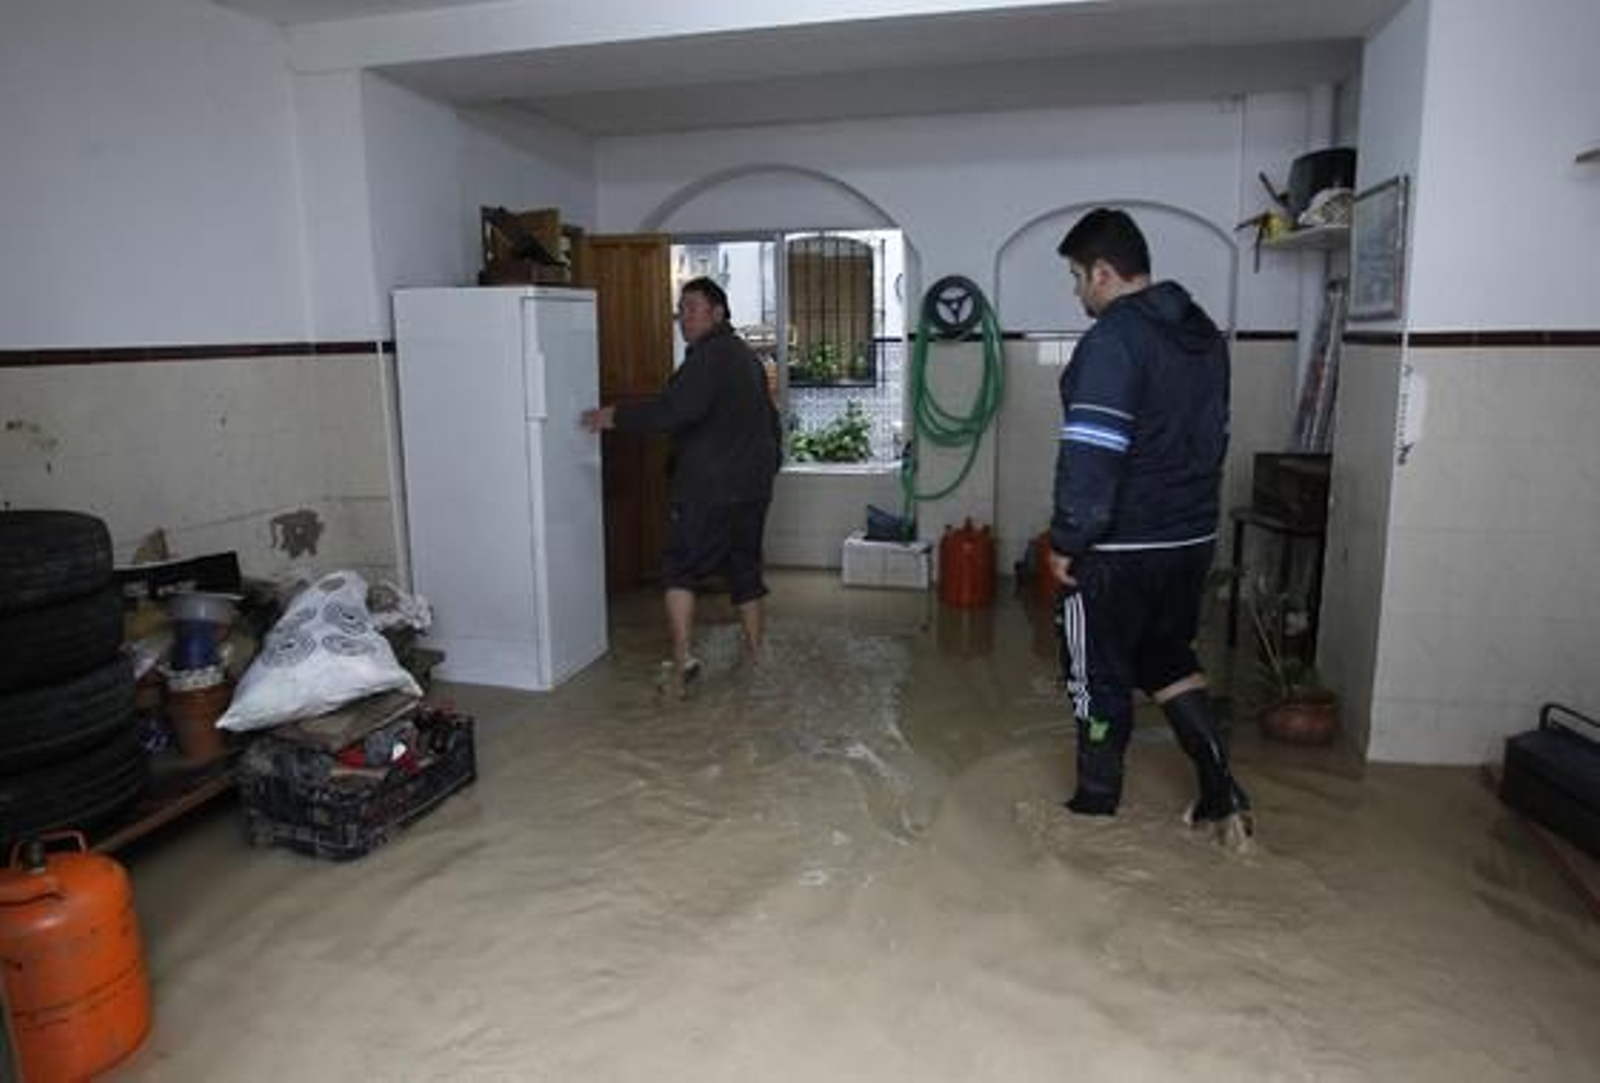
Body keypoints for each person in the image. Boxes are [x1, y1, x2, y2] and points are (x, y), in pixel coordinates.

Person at [1046, 208, 1252, 841]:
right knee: (1167, 657)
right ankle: (1220, 789)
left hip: (1119, 547)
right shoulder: (1201, 333)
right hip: (1189, 540)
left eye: (1079, 277)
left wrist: (1067, 541)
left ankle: (1094, 814)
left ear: (1104, 273)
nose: (1077, 291)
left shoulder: (1113, 339)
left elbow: (1092, 453)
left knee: (1096, 677)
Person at [581, 276, 782, 695]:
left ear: (718, 313)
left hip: (707, 489)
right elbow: (771, 422)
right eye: (681, 309)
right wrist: (765, 471)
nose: (682, 317)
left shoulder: (708, 359)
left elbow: (674, 412)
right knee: (744, 569)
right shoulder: (746, 357)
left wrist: (613, 416)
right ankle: (758, 656)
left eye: (692, 308)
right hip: (751, 487)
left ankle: (682, 660)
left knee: (679, 569)